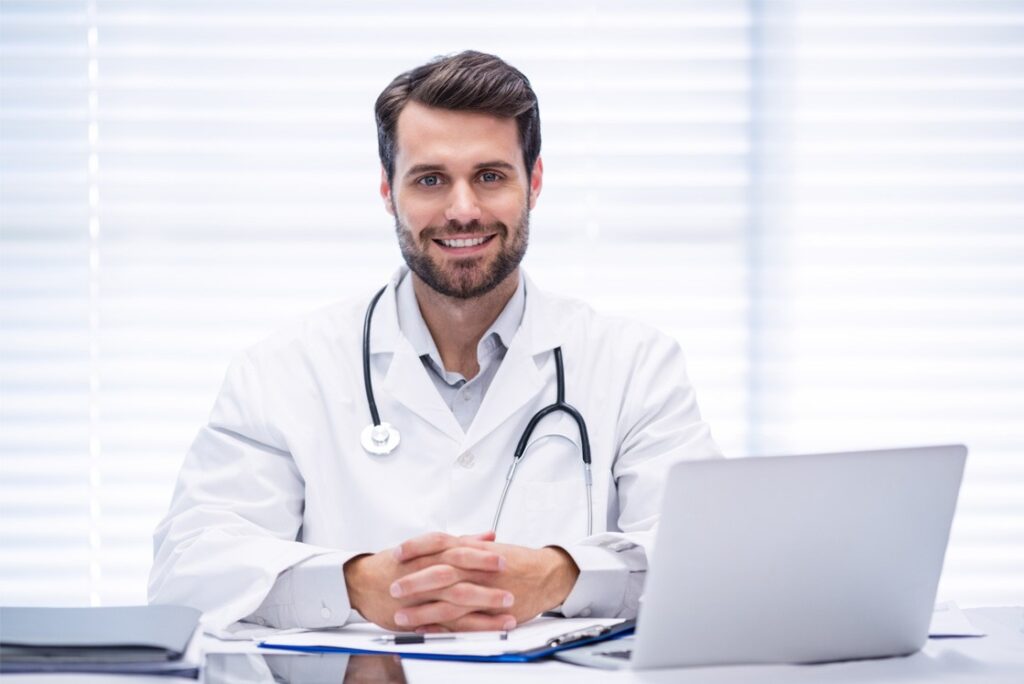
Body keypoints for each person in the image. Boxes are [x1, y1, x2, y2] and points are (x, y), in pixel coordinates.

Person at [149, 50, 721, 634]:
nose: (463, 210)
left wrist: (565, 575)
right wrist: (352, 584)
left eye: (490, 176)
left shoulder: (636, 365)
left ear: (536, 181)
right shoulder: (282, 372)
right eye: (430, 180)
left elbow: (710, 565)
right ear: (387, 190)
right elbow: (190, 564)